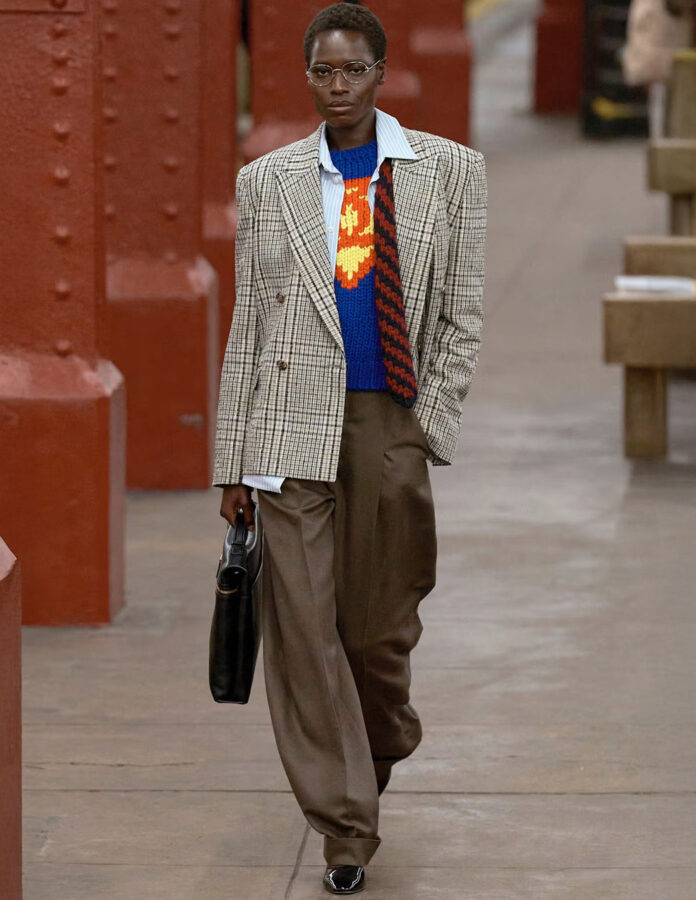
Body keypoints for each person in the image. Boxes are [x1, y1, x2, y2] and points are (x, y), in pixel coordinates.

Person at [213, 1, 487, 893]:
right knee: (303, 631)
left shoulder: (450, 171)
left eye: (353, 70)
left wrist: (426, 423)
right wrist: (232, 462)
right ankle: (344, 827)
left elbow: (461, 315)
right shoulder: (268, 181)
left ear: (379, 73)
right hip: (288, 425)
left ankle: (380, 741)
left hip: (388, 421)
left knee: (376, 636)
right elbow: (248, 326)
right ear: (308, 77)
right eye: (323, 72)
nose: (338, 86)